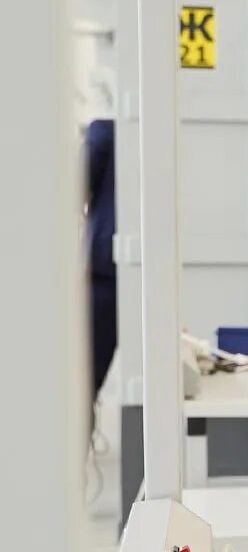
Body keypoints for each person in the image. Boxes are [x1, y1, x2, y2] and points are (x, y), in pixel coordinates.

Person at [85, 119, 117, 400]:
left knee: (85, 379)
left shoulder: (104, 132)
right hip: (115, 267)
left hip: (104, 271)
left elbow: (75, 187)